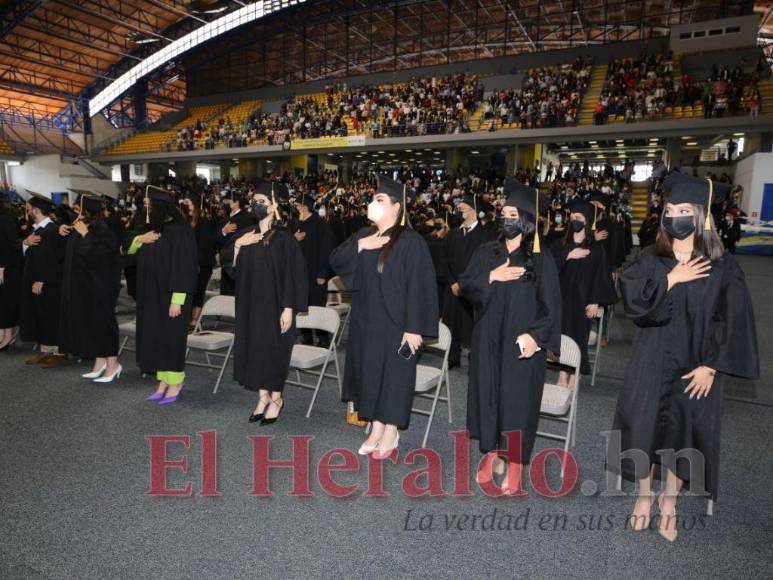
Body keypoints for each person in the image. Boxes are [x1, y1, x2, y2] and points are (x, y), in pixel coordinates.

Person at [611, 172, 759, 542]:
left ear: (700, 216)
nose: (673, 215)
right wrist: (670, 279)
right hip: (652, 359)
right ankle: (644, 498)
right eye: (670, 208)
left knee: (684, 434)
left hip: (696, 367)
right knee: (642, 429)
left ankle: (670, 502)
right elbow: (633, 305)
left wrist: (711, 367)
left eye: (683, 210)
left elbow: (734, 321)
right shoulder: (650, 259)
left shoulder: (722, 267)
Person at [459, 177, 561, 494]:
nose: (507, 217)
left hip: (522, 347)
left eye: (515, 214)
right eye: (505, 212)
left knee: (516, 402)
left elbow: (552, 309)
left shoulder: (541, 260)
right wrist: (492, 275)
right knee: (489, 397)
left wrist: (535, 337)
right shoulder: (487, 251)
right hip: (487, 340)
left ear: (528, 221)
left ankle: (514, 461)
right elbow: (467, 287)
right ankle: (492, 452)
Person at [330, 176, 439, 459]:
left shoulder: (411, 242)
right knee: (370, 375)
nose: (372, 204)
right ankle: (376, 426)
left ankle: (391, 430)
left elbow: (420, 285)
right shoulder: (364, 235)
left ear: (396, 207)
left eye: (379, 200)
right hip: (367, 320)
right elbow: (336, 260)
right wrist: (361, 246)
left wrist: (414, 327)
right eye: (373, 199)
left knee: (393, 379)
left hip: (398, 324)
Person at [232, 180, 308, 425]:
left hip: (276, 306)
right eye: (254, 200)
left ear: (274, 205)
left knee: (273, 353)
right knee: (255, 351)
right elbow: (235, 273)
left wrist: (288, 309)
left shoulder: (285, 239)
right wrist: (237, 245)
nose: (256, 204)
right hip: (251, 306)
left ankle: (276, 399)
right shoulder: (247, 236)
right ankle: (262, 397)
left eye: (261, 201)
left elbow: (294, 276)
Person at [129, 187, 198, 404]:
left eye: (149, 204)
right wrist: (140, 239)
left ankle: (176, 380)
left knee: (170, 339)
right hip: (151, 293)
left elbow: (185, 267)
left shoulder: (180, 231)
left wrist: (178, 300)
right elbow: (128, 254)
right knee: (157, 337)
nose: (145, 208)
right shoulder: (150, 230)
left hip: (172, 295)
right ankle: (163, 380)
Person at [549, 198, 617, 386]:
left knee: (578, 336)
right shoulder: (560, 244)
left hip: (583, 301)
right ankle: (563, 374)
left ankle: (575, 373)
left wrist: (595, 301)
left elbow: (600, 276)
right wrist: (568, 255)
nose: (574, 220)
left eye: (578, 217)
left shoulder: (595, 249)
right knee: (562, 336)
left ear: (587, 221)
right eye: (572, 217)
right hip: (561, 298)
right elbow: (546, 268)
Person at [58, 195, 122, 382]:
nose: (75, 213)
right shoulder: (82, 228)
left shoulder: (104, 231)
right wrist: (61, 231)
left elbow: (103, 259)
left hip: (101, 287)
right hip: (85, 287)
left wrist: (85, 235)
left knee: (104, 325)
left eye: (78, 210)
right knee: (92, 325)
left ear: (88, 212)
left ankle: (113, 364)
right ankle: (99, 361)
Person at [441, 194, 496, 368]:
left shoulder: (486, 236)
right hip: (453, 287)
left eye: (463, 207)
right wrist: (452, 282)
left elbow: (486, 264)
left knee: (473, 324)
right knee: (452, 322)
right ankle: (452, 356)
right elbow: (445, 261)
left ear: (474, 211)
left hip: (473, 288)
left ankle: (475, 357)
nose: (460, 210)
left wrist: (466, 284)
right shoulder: (453, 235)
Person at [19, 192, 67, 368]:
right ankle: (46, 349)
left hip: (50, 283)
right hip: (38, 281)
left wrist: (41, 279)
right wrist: (26, 243)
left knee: (52, 316)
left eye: (29, 209)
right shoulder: (38, 230)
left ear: (37, 210)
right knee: (42, 315)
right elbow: (32, 256)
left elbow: (54, 260)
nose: (28, 212)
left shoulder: (52, 231)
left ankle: (58, 352)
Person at [292, 194, 334, 347]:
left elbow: (326, 248)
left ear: (305, 206)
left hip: (316, 272)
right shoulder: (297, 224)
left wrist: (323, 272)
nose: (297, 209)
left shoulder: (320, 223)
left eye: (298, 206)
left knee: (317, 305)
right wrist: (294, 239)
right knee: (304, 305)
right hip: (300, 273)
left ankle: (323, 338)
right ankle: (306, 336)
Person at [182, 192, 216, 329]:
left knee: (198, 291)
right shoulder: (185, 222)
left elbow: (205, 246)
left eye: (188, 203)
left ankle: (195, 320)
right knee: (188, 290)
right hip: (188, 263)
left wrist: (197, 262)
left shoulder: (203, 222)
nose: (186, 206)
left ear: (195, 205)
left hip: (202, 264)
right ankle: (187, 316)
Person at [217, 191, 256, 296]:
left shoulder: (247, 218)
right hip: (226, 262)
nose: (224, 203)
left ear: (236, 203)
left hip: (241, 261)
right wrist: (223, 232)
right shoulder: (223, 220)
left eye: (227, 200)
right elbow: (216, 242)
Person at [0, 192, 21, 350]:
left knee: (5, 302)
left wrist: (2, 266)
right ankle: (3, 334)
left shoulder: (5, 219)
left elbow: (10, 245)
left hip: (6, 267)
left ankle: (7, 335)